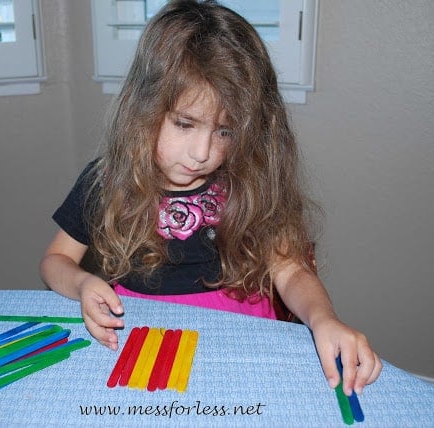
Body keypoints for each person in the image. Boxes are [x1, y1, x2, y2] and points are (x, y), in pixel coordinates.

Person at [40, 0, 382, 396]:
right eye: (184, 124)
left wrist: (324, 319)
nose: (202, 152)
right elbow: (55, 261)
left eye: (224, 131)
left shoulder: (247, 181)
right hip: (142, 336)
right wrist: (83, 284)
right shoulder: (105, 181)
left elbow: (290, 270)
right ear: (143, 108)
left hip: (243, 339)